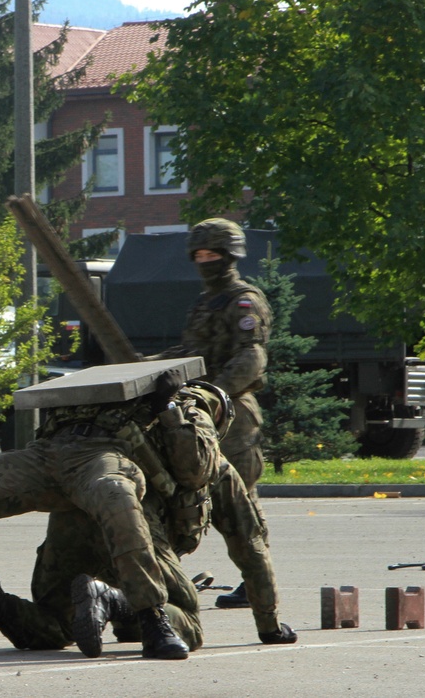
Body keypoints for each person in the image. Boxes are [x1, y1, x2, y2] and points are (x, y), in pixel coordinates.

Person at [0, 366, 208, 661]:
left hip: (102, 454)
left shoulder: (183, 402)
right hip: (48, 453)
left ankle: (151, 618)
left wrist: (167, 406)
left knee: (115, 493)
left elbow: (194, 471)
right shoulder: (91, 385)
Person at [0, 381, 296, 658]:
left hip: (68, 538)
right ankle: (114, 600)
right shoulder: (214, 468)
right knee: (188, 621)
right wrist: (269, 625)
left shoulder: (116, 441)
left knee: (58, 626)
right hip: (136, 541)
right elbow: (250, 547)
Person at [149, 218, 274, 610]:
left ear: (230, 254)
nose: (205, 260)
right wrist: (145, 367)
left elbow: (252, 357)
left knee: (240, 500)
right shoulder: (206, 303)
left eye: (213, 254)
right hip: (199, 413)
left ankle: (256, 581)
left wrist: (214, 393)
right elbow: (189, 353)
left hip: (232, 412)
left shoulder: (243, 300)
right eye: (199, 254)